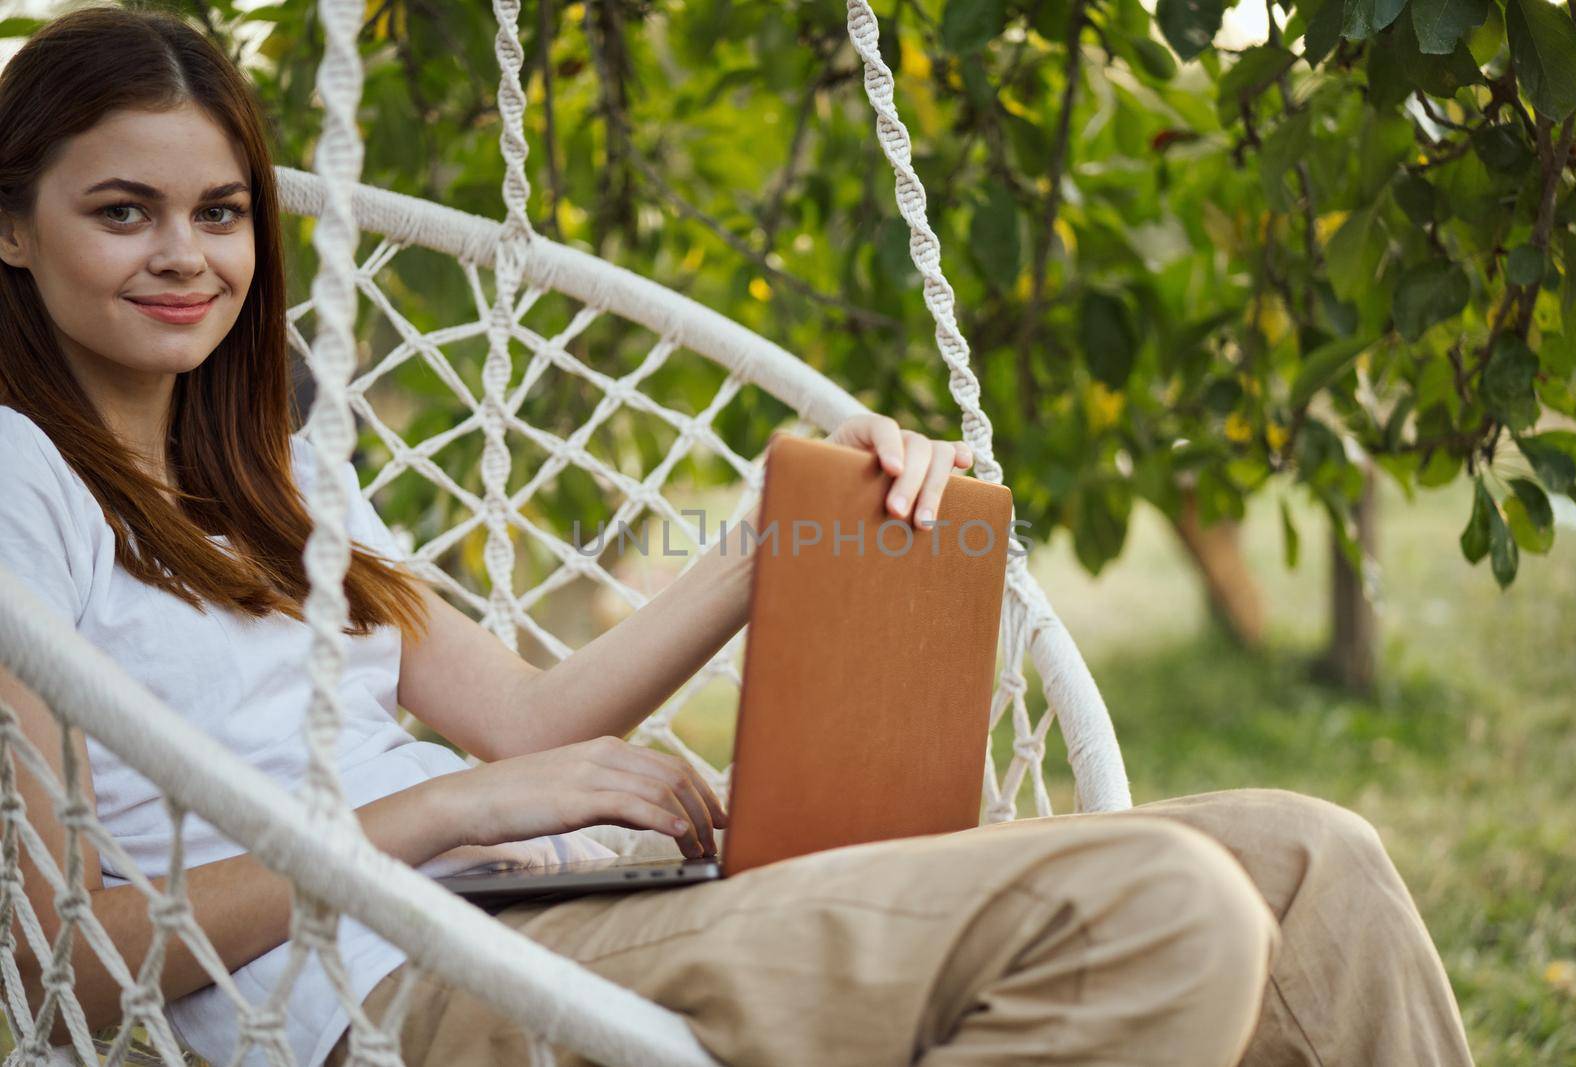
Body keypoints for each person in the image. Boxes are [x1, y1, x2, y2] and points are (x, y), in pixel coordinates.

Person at [0, 7, 1475, 1067]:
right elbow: (72, 953)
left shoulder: (269, 460)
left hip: (568, 908)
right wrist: (449, 819)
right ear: (11, 227)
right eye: (124, 212)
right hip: (403, 1000)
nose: (187, 257)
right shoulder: (17, 480)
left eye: (222, 213)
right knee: (1162, 919)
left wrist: (775, 534)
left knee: (1315, 862)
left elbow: (520, 716)